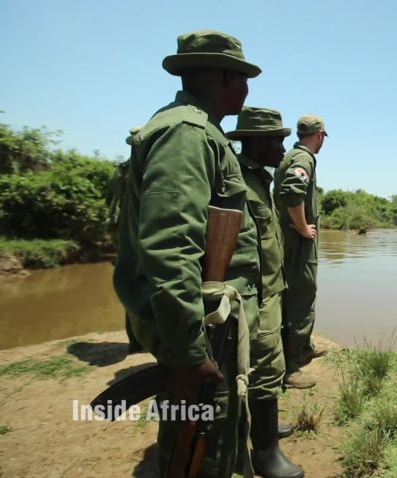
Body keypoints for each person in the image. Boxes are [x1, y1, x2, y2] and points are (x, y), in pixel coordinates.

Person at [113, 30, 262, 477]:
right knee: (197, 445)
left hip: (210, 321)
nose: (247, 88)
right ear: (224, 77)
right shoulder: (187, 134)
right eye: (243, 78)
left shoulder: (202, 131)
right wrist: (189, 351)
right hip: (202, 327)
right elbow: (171, 247)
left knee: (208, 435)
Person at [227, 107, 304, 478]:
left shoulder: (259, 178)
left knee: (269, 366)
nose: (283, 146)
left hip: (272, 289)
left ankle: (265, 430)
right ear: (256, 142)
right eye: (277, 139)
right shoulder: (237, 181)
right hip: (256, 295)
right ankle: (265, 455)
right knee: (264, 367)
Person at [274, 115, 328, 388]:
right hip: (297, 240)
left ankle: (303, 347)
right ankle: (291, 366)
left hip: (289, 237)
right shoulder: (304, 158)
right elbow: (292, 193)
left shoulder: (292, 155)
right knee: (301, 295)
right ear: (319, 135)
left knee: (295, 293)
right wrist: (303, 227)